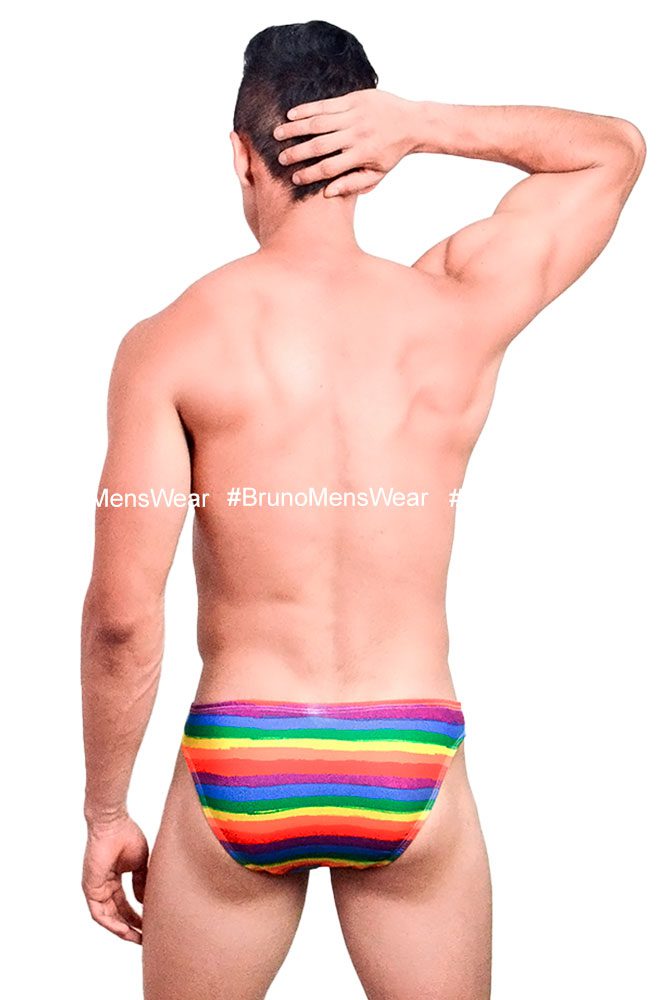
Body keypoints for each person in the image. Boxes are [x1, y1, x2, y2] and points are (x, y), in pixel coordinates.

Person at [80, 19, 645, 1000]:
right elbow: (615, 152)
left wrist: (104, 812)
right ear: (369, 160)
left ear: (240, 155)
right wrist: (421, 124)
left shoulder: (171, 342)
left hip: (243, 751)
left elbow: (124, 617)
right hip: (407, 743)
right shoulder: (457, 307)